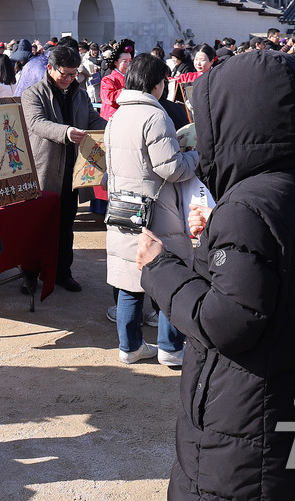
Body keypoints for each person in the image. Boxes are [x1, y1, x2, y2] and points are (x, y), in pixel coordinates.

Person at [138, 49, 295, 501]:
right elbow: (269, 278)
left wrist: (159, 267)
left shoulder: (247, 206)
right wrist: (214, 240)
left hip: (250, 425)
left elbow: (227, 322)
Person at [104, 54, 197, 366]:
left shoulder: (116, 117)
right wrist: (195, 157)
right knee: (170, 277)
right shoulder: (156, 117)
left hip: (123, 209)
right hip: (157, 212)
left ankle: (129, 347)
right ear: (158, 84)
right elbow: (171, 168)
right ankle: (171, 349)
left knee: (130, 281)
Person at [22, 44, 107, 292]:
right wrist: (66, 132)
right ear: (50, 68)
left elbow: (93, 119)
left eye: (74, 74)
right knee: (38, 227)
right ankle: (30, 274)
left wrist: (113, 126)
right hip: (45, 169)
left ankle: (62, 272)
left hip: (73, 171)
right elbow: (37, 123)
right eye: (65, 74)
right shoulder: (33, 94)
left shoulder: (79, 94)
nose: (70, 79)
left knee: (66, 226)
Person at [98, 45, 132, 119]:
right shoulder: (107, 80)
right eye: (125, 61)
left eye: (130, 61)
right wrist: (128, 91)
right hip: (112, 118)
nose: (128, 64)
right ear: (116, 62)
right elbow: (110, 99)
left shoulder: (132, 78)